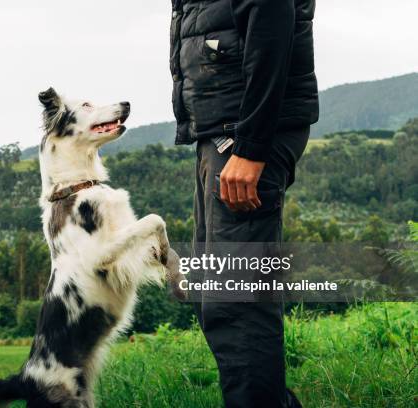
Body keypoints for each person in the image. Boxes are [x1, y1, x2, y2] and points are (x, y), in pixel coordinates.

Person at [170, 0, 319, 407]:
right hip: (221, 134)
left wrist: (252, 148)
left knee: (236, 302)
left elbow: (271, 28)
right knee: (212, 291)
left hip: (244, 137)